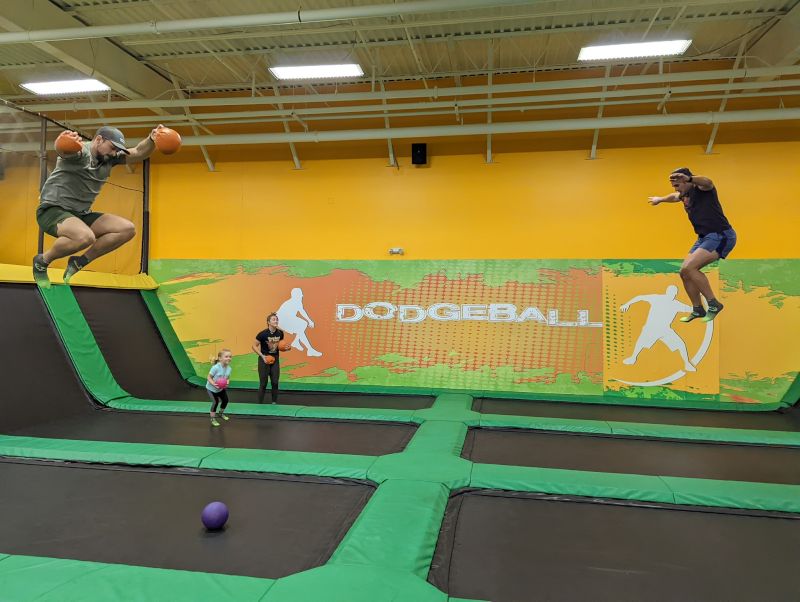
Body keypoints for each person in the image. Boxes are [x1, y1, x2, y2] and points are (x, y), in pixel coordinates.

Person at [33, 125, 162, 287]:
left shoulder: (109, 158)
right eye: (112, 148)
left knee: (127, 229)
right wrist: (63, 141)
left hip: (80, 215)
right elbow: (64, 150)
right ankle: (42, 261)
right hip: (52, 211)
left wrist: (152, 139)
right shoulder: (81, 153)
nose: (114, 153)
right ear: (99, 140)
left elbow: (138, 152)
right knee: (85, 237)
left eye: (117, 150)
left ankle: (79, 262)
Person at [648, 167, 736, 322]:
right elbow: (674, 197)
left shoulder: (702, 189)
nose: (676, 188)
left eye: (678, 184)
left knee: (690, 268)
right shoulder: (684, 194)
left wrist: (689, 178)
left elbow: (708, 182)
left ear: (687, 180)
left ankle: (713, 304)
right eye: (674, 185)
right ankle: (698, 309)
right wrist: (660, 199)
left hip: (720, 235)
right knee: (684, 272)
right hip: (703, 238)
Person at [253, 313, 284, 404]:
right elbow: (254, 346)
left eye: (277, 319)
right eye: (274, 319)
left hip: (275, 359)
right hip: (264, 359)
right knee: (263, 383)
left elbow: (280, 346)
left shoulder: (280, 333)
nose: (276, 321)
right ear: (268, 322)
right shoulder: (262, 334)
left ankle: (274, 402)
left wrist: (286, 348)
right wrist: (262, 356)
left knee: (275, 382)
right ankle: (260, 404)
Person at [207, 349, 233, 427]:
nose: (229, 358)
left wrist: (227, 382)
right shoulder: (215, 368)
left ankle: (220, 413)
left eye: (230, 357)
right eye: (226, 356)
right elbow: (209, 377)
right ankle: (212, 419)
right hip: (211, 389)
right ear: (220, 358)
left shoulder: (229, 368)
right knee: (215, 402)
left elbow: (227, 378)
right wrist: (214, 384)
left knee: (225, 400)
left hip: (221, 389)